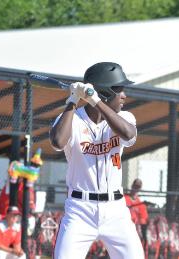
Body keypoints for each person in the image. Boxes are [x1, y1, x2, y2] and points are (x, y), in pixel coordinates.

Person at [50, 62, 144, 259]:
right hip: (79, 209)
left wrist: (95, 101)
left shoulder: (125, 117)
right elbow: (58, 141)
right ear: (105, 92)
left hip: (115, 210)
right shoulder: (71, 118)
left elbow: (128, 135)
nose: (124, 95)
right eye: (119, 89)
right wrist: (73, 99)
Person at [124, 178, 149, 244]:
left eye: (138, 187)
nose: (136, 189)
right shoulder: (124, 198)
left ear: (139, 189)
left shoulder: (141, 204)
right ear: (132, 186)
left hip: (134, 228)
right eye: (135, 186)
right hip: (123, 225)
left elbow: (143, 220)